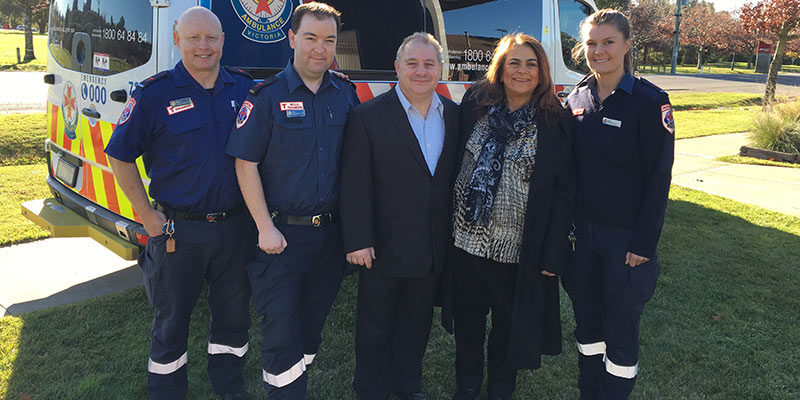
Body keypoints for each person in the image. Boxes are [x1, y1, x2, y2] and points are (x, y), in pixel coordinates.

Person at [104, 7, 254, 400]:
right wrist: (147, 216)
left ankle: (230, 390)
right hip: (177, 232)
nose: (203, 46)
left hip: (236, 229)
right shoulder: (155, 94)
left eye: (211, 38)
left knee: (234, 321)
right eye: (193, 38)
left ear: (223, 40)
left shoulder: (243, 88)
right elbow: (119, 154)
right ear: (177, 39)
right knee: (171, 325)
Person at [225, 2, 359, 399]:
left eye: (329, 40)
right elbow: (245, 164)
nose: (320, 48)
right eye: (311, 38)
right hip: (280, 239)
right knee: (281, 334)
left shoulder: (346, 94)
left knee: (311, 329)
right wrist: (265, 227)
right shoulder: (265, 96)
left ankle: (292, 384)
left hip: (330, 239)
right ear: (291, 39)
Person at [447, 33, 575, 400]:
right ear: (500, 70)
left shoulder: (555, 121)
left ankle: (501, 389)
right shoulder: (475, 104)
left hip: (518, 249)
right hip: (466, 240)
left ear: (542, 72)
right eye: (514, 63)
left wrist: (554, 253)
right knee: (469, 321)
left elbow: (565, 193)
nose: (522, 71)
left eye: (531, 64)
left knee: (507, 324)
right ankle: (468, 386)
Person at [340, 32, 460, 400]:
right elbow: (353, 183)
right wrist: (359, 239)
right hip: (382, 248)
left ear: (441, 68)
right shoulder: (368, 116)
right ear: (397, 67)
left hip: (432, 247)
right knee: (375, 326)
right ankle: (370, 389)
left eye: (429, 64)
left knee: (416, 324)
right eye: (413, 63)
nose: (421, 71)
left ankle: (408, 386)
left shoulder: (455, 115)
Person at [563, 9, 674, 400]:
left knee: (621, 337)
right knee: (588, 331)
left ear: (627, 45)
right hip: (580, 243)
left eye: (608, 42)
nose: (599, 51)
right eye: (592, 43)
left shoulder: (649, 101)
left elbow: (659, 178)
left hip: (625, 244)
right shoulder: (575, 98)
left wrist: (644, 244)